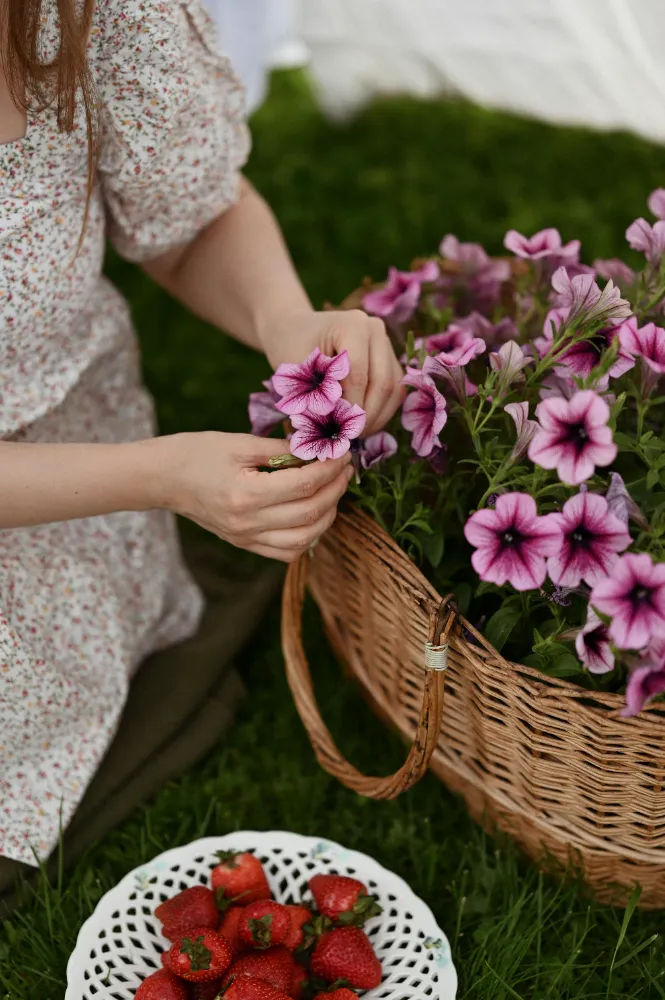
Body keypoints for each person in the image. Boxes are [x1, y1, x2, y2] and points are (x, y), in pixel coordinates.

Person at [0, 0, 402, 882]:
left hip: (70, 450)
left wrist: (286, 318)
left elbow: (191, 223)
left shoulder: (82, 15)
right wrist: (158, 475)